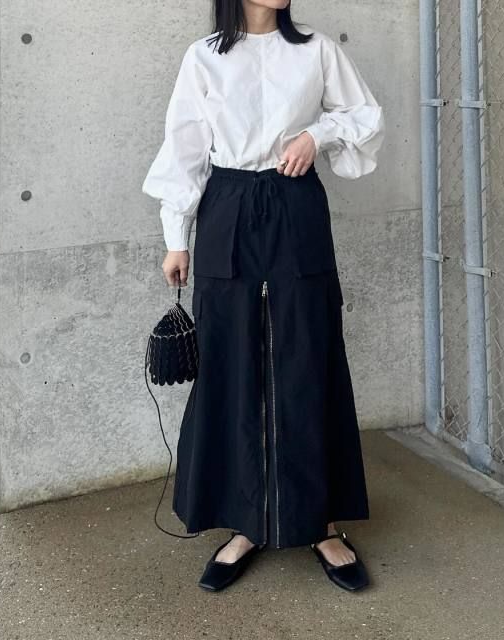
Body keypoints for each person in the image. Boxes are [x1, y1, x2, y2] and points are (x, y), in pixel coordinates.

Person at [142, 0, 385, 592]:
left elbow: (365, 115)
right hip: (225, 205)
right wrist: (176, 239)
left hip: (295, 202)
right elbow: (184, 146)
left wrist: (317, 134)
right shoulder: (204, 58)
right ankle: (245, 521)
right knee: (231, 361)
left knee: (308, 354)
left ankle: (320, 523)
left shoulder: (317, 50)